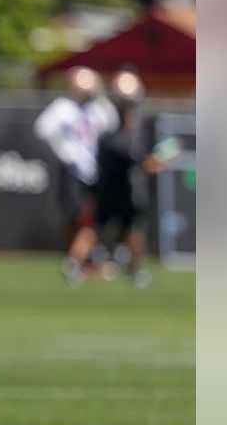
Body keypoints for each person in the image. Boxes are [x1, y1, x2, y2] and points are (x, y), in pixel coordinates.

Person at [88, 70, 178, 288]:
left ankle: (132, 268)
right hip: (116, 191)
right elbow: (145, 163)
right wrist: (162, 160)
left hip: (122, 190)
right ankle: (81, 263)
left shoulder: (131, 134)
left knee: (129, 231)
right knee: (102, 230)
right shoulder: (115, 137)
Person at [34, 66, 116, 286]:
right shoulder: (63, 108)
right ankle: (74, 261)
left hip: (93, 172)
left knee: (89, 221)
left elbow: (111, 121)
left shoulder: (96, 108)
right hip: (73, 172)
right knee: (77, 219)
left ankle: (78, 261)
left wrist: (99, 93)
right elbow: (42, 129)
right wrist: (63, 151)